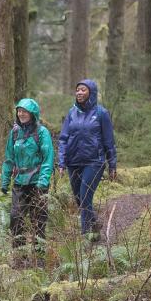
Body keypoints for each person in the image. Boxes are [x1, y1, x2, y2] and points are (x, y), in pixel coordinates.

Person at [57, 79, 117, 239]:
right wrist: (61, 161)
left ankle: (85, 237)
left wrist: (112, 164)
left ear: (91, 92)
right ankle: (95, 223)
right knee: (79, 198)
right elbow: (63, 138)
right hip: (73, 162)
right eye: (77, 90)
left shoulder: (101, 113)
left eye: (83, 90)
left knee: (85, 197)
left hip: (94, 162)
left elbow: (109, 141)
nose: (79, 93)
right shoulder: (71, 113)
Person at [0, 98, 54, 266]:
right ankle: (19, 257)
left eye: (24, 111)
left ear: (33, 113)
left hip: (38, 183)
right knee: (16, 218)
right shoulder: (15, 133)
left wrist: (43, 181)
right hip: (19, 183)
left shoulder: (42, 132)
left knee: (39, 221)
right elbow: (9, 158)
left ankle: (39, 258)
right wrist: (5, 179)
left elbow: (48, 158)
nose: (21, 113)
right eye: (19, 111)